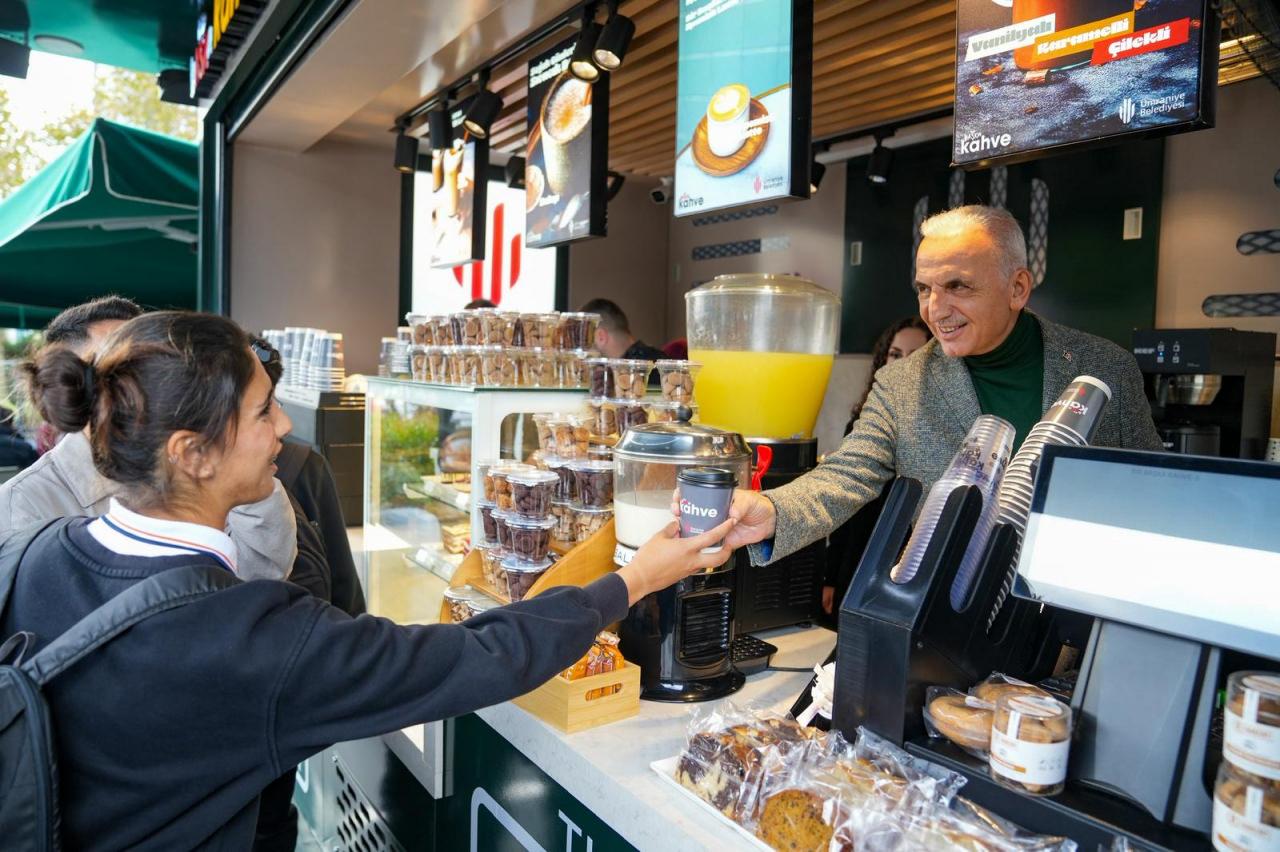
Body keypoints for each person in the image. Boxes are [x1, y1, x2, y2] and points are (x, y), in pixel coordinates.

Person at [2, 311, 736, 849]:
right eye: (262, 411)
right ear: (193, 454)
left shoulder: (34, 559)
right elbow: (479, 656)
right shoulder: (250, 638)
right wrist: (632, 579)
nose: (284, 427)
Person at [707, 205, 1163, 569]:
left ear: (1018, 288)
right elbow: (846, 474)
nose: (935, 309)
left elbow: (1152, 489)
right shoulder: (902, 383)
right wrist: (771, 511)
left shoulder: (1106, 368)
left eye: (957, 286)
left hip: (1072, 615)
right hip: (951, 611)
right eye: (924, 289)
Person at [0, 299, 298, 582]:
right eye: (111, 369)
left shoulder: (202, 457)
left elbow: (263, 573)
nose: (138, 379)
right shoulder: (22, 505)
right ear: (72, 383)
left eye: (149, 364)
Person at [821, 317, 931, 616]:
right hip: (858, 561)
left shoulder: (939, 430)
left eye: (916, 355)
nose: (902, 363)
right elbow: (844, 506)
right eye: (895, 354)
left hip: (908, 570)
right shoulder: (862, 424)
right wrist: (830, 576)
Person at [581, 298, 668, 361]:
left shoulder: (640, 373)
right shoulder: (656, 362)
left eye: (583, 341)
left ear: (601, 337)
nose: (581, 351)